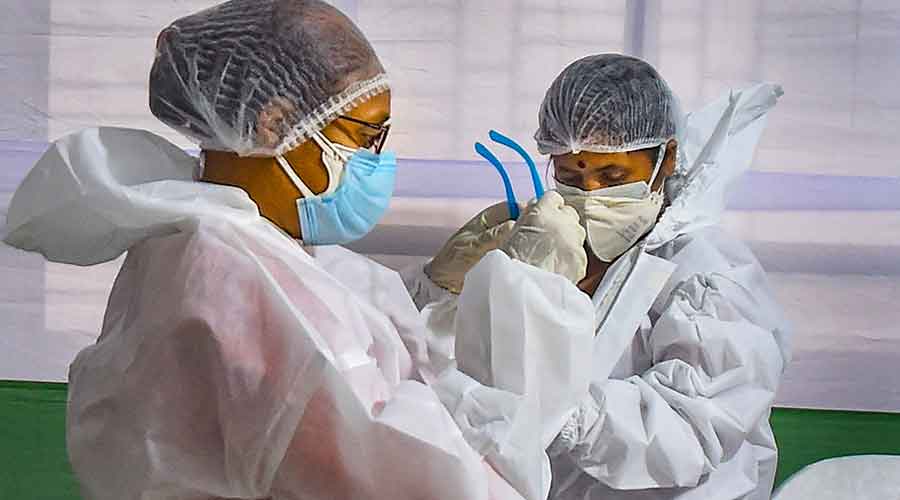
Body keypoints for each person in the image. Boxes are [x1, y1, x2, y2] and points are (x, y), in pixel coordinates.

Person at [2, 1, 596, 499]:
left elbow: (365, 347)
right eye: (367, 135)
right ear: (272, 123)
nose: (379, 161)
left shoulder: (221, 240)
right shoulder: (230, 278)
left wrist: (440, 288)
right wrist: (535, 296)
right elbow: (433, 482)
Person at [406, 54, 792, 499]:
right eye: (571, 174)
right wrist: (444, 285)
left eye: (613, 175)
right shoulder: (553, 247)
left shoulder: (710, 277)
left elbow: (690, 432)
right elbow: (459, 370)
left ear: (666, 159)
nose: (590, 196)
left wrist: (558, 408)